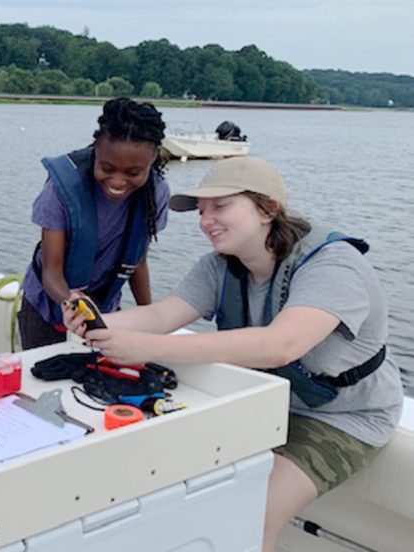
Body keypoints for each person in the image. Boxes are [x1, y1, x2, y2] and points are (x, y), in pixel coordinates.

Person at [64, 157, 403, 552]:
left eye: (220, 206)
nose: (206, 220)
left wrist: (144, 348)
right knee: (172, 485)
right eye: (202, 211)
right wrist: (98, 321)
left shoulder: (333, 265)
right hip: (264, 402)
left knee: (250, 511)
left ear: (267, 208)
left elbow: (282, 345)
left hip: (344, 417)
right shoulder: (218, 267)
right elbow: (162, 314)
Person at [18, 97, 170, 350]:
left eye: (133, 173)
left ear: (152, 160)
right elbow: (51, 271)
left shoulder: (156, 194)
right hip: (47, 308)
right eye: (107, 168)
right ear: (95, 151)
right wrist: (71, 302)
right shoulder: (60, 191)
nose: (118, 182)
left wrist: (150, 318)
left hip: (106, 309)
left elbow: (138, 261)